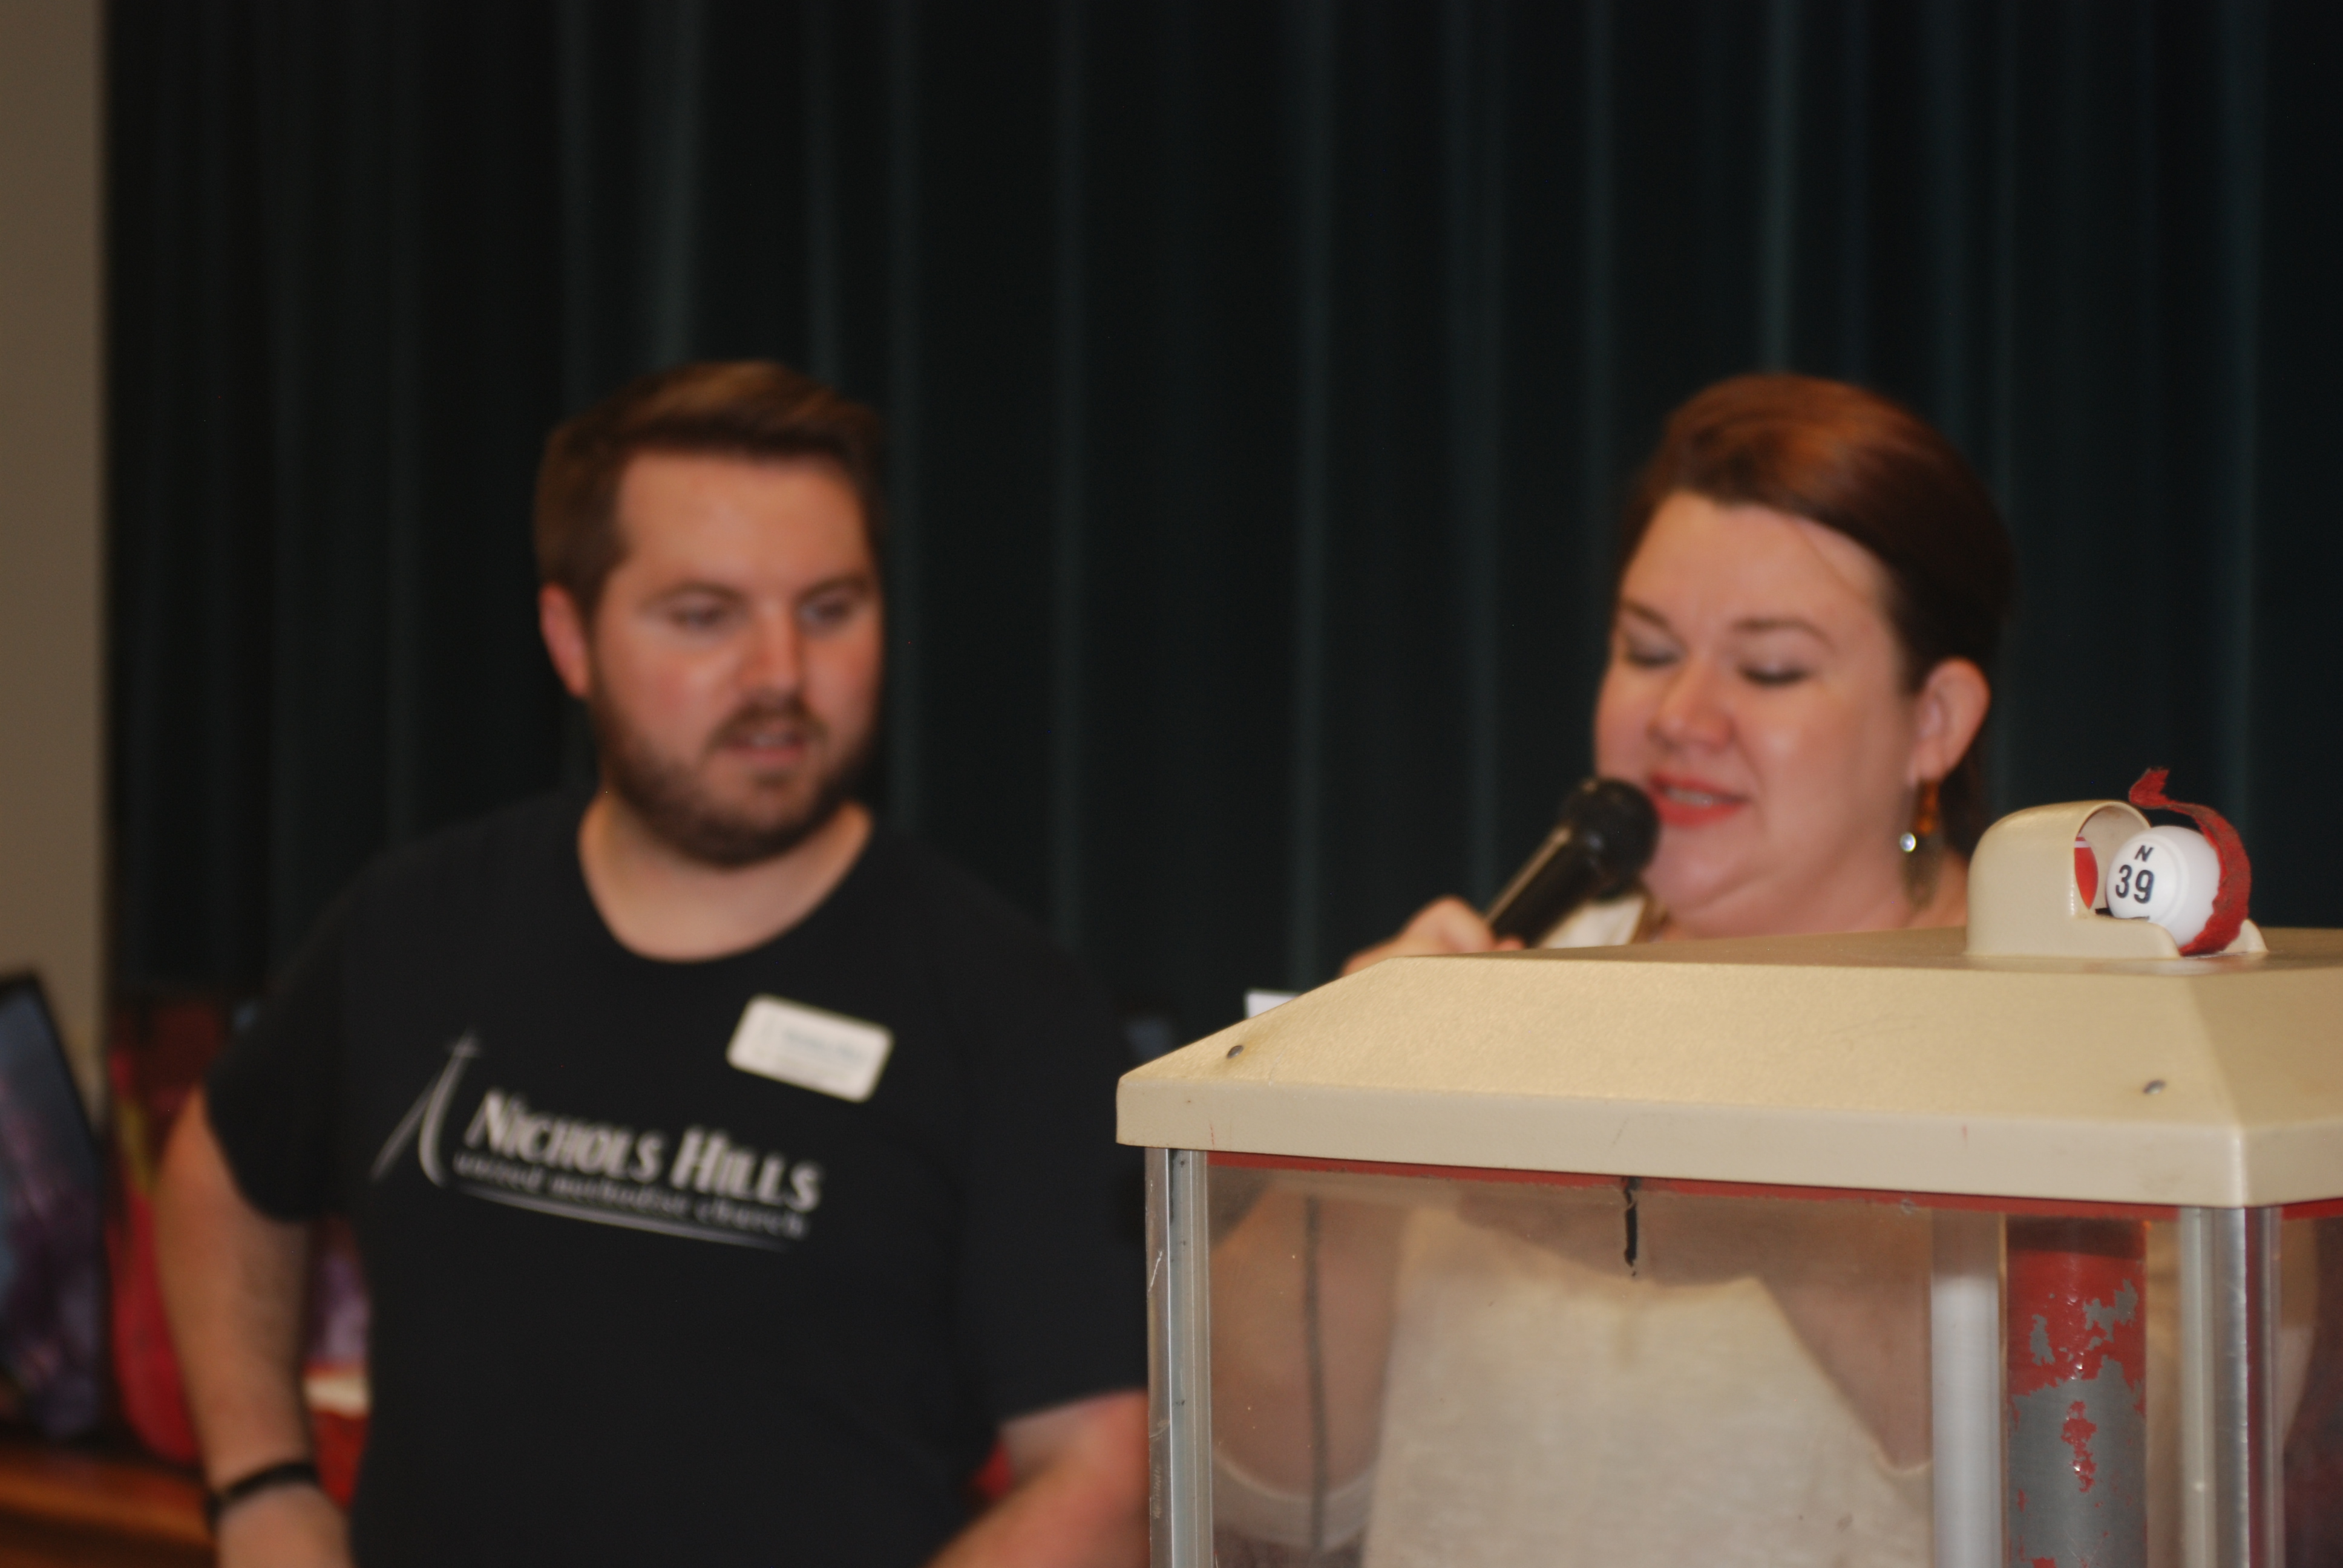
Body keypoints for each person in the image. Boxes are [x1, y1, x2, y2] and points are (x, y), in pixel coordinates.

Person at [1210, 373, 2312, 1567]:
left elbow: (2139, 1506)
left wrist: (1749, 1219)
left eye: (1770, 669)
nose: (1682, 714)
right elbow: (1256, 1479)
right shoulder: (1505, 994)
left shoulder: (2111, 1049)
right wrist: (1353, 1138)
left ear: (1934, 719)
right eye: (1645, 650)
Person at [154, 362, 1149, 1568]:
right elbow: (220, 1166)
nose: (779, 674)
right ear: (569, 638)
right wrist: (261, 1490)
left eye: (829, 608)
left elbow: (1101, 1472)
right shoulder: (414, 926)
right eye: (704, 616)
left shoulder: (1011, 1009)